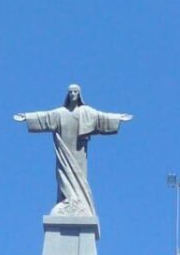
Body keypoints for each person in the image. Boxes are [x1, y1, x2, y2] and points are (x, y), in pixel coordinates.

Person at [14, 84, 132, 217]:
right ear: (67, 95)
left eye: (75, 91)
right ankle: (67, 201)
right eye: (70, 92)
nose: (73, 94)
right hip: (64, 153)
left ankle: (79, 202)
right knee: (64, 175)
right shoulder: (60, 113)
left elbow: (101, 118)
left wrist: (117, 118)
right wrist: (27, 117)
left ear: (79, 94)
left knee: (79, 176)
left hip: (79, 153)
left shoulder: (86, 112)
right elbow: (46, 117)